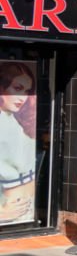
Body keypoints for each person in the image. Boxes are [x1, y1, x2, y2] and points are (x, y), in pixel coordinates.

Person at [0, 61, 37, 225]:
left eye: (27, 91)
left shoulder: (15, 120)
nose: (23, 98)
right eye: (17, 88)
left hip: (26, 211)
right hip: (7, 210)